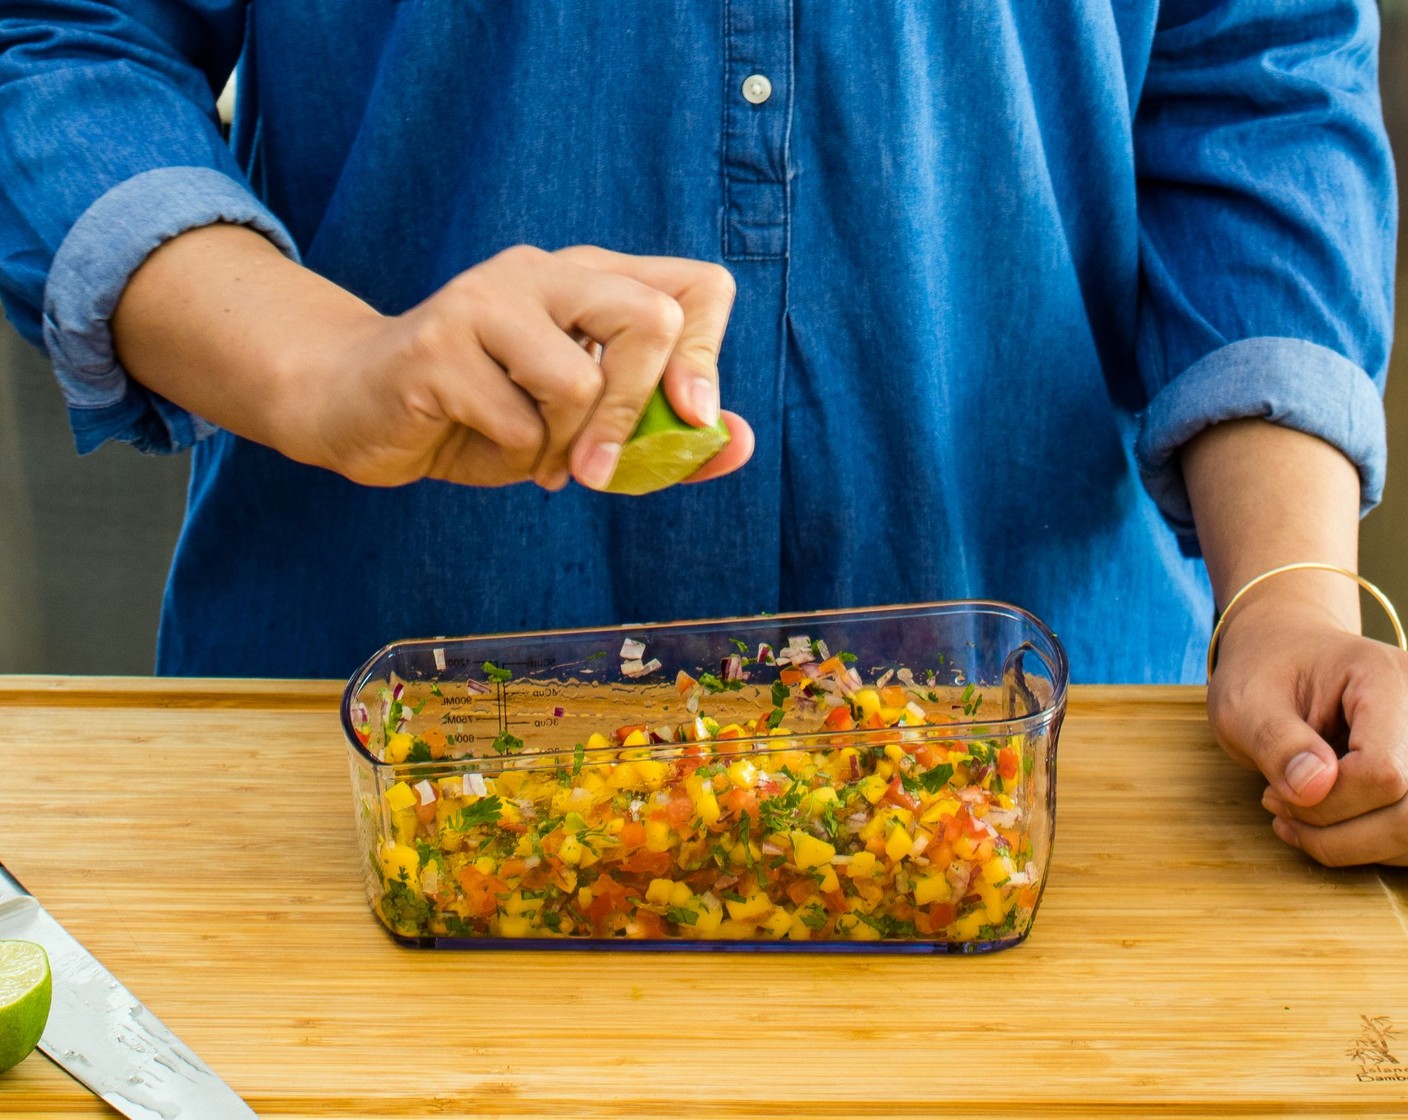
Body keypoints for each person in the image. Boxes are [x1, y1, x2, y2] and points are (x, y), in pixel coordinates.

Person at [0, 2, 1401, 867]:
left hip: (1047, 792)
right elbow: (61, 34)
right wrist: (333, 364)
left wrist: (1288, 600)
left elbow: (1256, 74)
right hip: (359, 781)